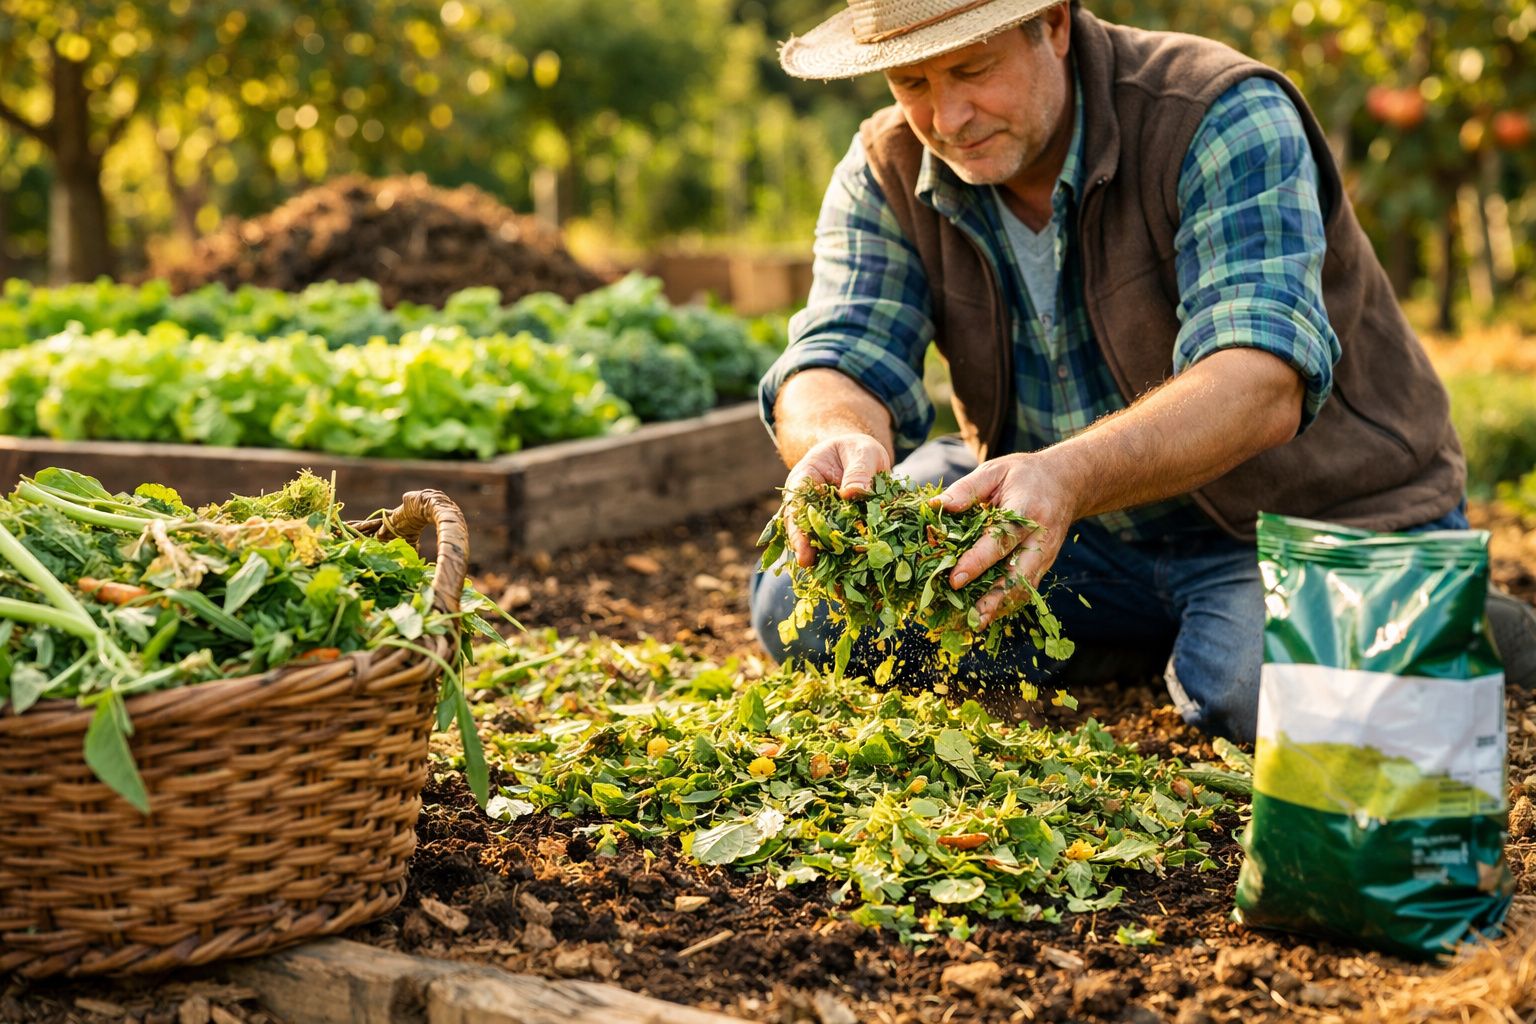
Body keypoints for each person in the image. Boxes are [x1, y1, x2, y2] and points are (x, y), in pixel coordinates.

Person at [750, 0, 1536, 742]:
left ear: (1052, 24)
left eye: (973, 70)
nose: (946, 119)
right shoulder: (888, 163)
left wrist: (1066, 478)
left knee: (1253, 691)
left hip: (1293, 517)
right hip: (1072, 523)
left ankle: (1425, 612)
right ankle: (1167, 632)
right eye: (913, 82)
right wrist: (838, 435)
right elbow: (839, 349)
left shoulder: (1215, 110)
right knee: (805, 603)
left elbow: (1259, 380)